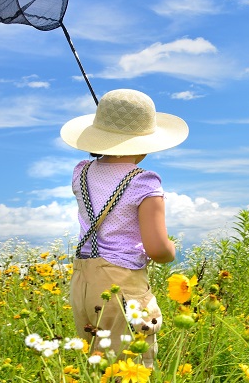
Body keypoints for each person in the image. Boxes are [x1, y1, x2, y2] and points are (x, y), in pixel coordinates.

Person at [60, 89, 188, 367]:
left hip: (83, 281)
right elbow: (157, 249)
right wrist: (170, 250)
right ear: (146, 142)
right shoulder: (143, 182)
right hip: (122, 285)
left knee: (97, 361)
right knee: (132, 363)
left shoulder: (81, 171)